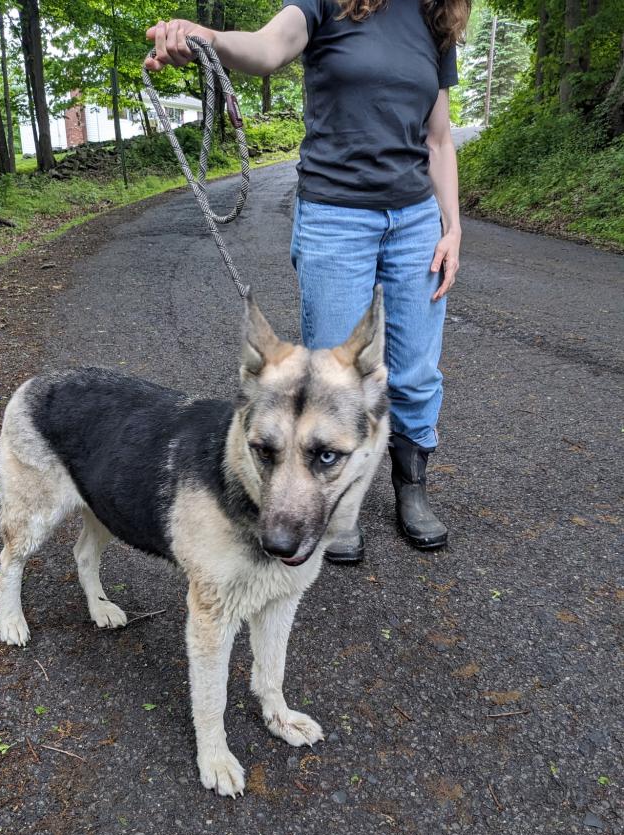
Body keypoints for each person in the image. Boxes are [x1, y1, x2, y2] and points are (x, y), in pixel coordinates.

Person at [146, 0, 470, 561]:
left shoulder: (435, 19)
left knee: (416, 372)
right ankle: (332, 506)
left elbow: (438, 140)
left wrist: (453, 227)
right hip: (335, 215)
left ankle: (411, 487)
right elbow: (268, 48)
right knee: (329, 383)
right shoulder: (328, 4)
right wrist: (207, 37)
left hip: (416, 220)